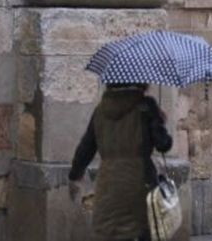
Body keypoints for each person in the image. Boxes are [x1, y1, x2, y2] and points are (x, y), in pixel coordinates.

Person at [68, 83, 173, 241]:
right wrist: (159, 121)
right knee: (142, 231)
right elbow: (163, 144)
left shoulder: (100, 110)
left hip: (108, 183)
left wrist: (75, 174)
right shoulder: (145, 107)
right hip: (139, 181)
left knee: (112, 232)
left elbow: (86, 147)